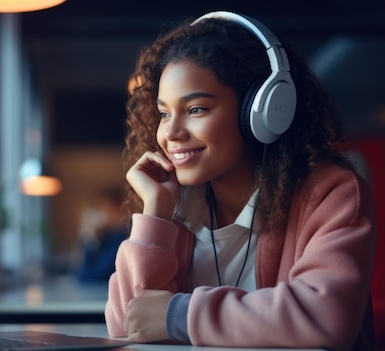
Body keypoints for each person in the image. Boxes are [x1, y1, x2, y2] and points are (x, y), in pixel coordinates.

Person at [104, 11, 377, 351]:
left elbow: (326, 315)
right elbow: (126, 323)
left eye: (196, 110)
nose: (170, 133)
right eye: (164, 113)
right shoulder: (177, 204)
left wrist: (180, 315)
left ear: (260, 111)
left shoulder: (329, 193)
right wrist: (155, 215)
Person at [75, 188, 127, 282]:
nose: (100, 214)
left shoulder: (121, 237)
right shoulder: (107, 236)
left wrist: (89, 239)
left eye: (103, 208)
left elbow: (90, 277)